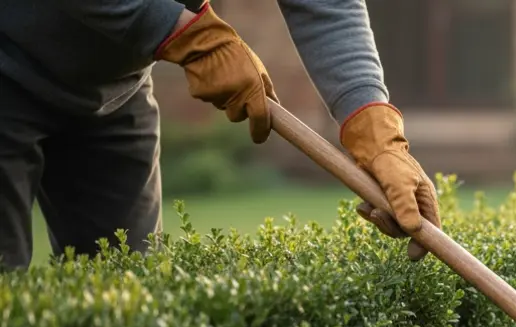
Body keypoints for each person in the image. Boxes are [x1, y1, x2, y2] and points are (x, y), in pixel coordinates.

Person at [0, 0, 440, 269]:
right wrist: (183, 34)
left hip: (115, 90)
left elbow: (325, 4)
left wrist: (373, 127)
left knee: (127, 307)